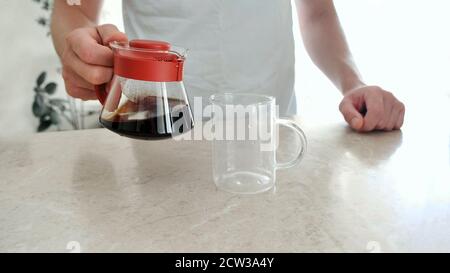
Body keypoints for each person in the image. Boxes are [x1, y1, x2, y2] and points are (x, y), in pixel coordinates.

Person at [51, 0, 405, 132]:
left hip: (272, 142)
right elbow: (72, 7)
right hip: (159, 143)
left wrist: (353, 84)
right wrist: (80, 46)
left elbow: (317, 13)